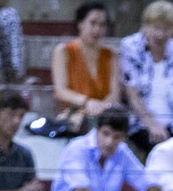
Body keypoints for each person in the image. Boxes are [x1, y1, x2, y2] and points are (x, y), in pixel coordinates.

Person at [49, 106, 159, 191]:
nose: (109, 142)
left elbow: (149, 183)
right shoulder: (77, 148)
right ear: (97, 129)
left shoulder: (122, 151)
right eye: (106, 134)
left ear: (124, 137)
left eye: (117, 137)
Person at [121, 1, 173, 154]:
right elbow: (132, 93)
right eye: (156, 28)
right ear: (145, 26)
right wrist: (151, 124)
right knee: (159, 147)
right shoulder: (130, 47)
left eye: (167, 29)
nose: (161, 34)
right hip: (141, 123)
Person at [50, 1, 121, 134]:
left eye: (102, 25)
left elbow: (114, 95)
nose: (97, 30)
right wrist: (87, 103)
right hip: (72, 114)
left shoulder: (111, 55)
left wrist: (99, 107)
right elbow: (60, 91)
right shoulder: (63, 51)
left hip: (104, 115)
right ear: (80, 24)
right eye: (93, 23)